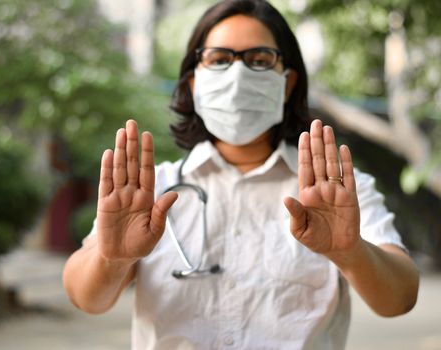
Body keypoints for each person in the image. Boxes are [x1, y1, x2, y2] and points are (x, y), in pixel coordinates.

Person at [63, 0, 419, 348]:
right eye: (218, 60)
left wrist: (351, 252)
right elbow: (87, 299)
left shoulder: (338, 192)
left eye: (259, 60)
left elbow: (399, 299)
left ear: (288, 82)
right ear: (193, 82)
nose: (238, 75)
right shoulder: (150, 192)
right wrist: (112, 259)